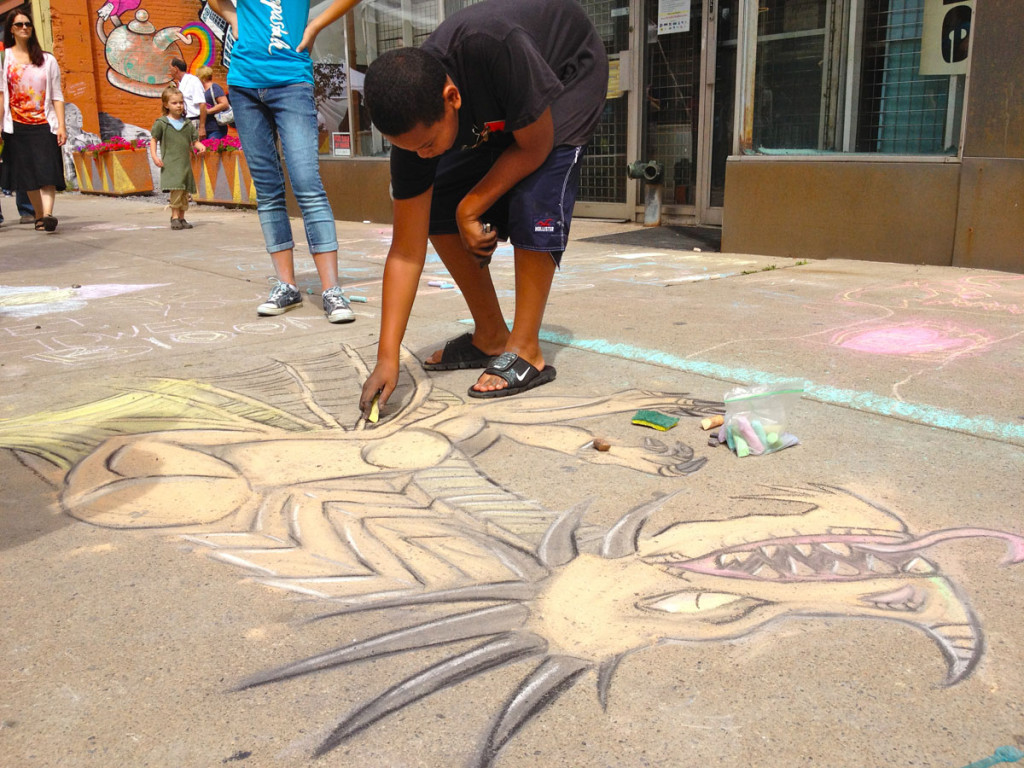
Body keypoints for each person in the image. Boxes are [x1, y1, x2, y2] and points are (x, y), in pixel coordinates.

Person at [358, 0, 607, 413]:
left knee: (535, 195)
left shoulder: (492, 47)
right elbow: (405, 252)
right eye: (409, 149)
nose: (421, 156)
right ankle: (490, 334)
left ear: (451, 97)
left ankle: (526, 348)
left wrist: (470, 207)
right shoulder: (415, 128)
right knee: (438, 201)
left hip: (567, 72)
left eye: (426, 145)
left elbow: (536, 145)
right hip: (505, 93)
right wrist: (388, 357)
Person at [207, 0, 357, 324]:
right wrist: (233, 18)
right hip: (244, 83)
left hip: (291, 80)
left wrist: (315, 25)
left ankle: (332, 290)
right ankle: (287, 286)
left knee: (306, 183)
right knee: (267, 189)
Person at [0, 6, 67, 232]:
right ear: (11, 30)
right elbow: (1, 95)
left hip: (44, 123)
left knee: (47, 171)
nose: (25, 27)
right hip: (17, 125)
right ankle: (38, 215)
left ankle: (48, 215)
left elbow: (57, 96)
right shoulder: (4, 58)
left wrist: (61, 126)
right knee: (27, 175)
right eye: (19, 24)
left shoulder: (47, 60)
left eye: (28, 24)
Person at [149, 85, 206, 230]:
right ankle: (174, 217)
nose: (179, 106)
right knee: (176, 189)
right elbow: (154, 139)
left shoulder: (187, 124)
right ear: (166, 104)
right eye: (174, 103)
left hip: (185, 164)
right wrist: (155, 156)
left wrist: (200, 146)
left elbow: (194, 141)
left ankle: (182, 217)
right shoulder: (162, 123)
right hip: (171, 163)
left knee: (185, 190)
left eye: (181, 102)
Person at [168, 58, 206, 139]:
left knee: (193, 150)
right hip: (182, 121)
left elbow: (202, 104)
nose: (169, 71)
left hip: (193, 121)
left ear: (176, 69)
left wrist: (202, 128)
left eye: (170, 68)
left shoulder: (193, 81)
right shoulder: (180, 83)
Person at [197, 66, 230, 140]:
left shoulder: (214, 88)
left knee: (212, 149)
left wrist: (208, 111)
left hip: (216, 128)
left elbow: (224, 104)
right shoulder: (201, 89)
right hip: (205, 128)